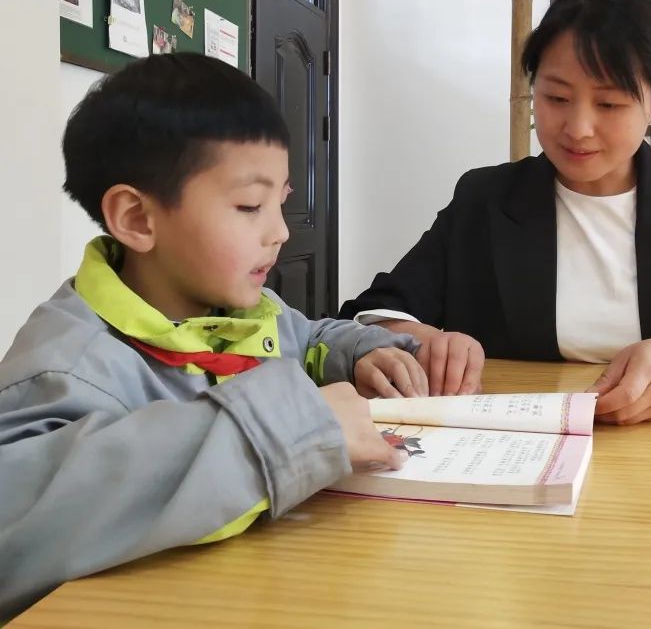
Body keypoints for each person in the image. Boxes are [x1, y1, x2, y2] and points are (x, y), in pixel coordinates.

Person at [0, 54, 428, 621]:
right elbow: (15, 528)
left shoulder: (242, 310)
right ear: (137, 219)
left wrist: (361, 352)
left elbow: (308, 338)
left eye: (280, 202)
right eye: (250, 206)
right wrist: (279, 432)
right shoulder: (66, 368)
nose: (279, 231)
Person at [340, 0, 651, 423]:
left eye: (609, 104)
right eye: (557, 98)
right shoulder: (485, 201)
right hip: (516, 445)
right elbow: (375, 310)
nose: (578, 128)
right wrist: (421, 340)